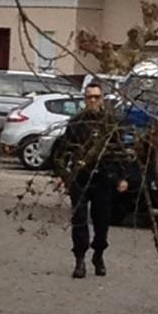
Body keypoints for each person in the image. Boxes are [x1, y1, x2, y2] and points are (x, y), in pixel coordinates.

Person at [54, 82, 128, 279]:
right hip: (80, 176)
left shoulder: (112, 123)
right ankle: (79, 260)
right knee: (79, 219)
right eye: (89, 97)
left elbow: (120, 151)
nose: (93, 101)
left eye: (96, 97)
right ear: (85, 99)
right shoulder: (76, 122)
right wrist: (63, 176)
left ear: (102, 99)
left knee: (102, 220)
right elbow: (64, 151)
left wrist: (122, 177)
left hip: (104, 177)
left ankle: (99, 254)